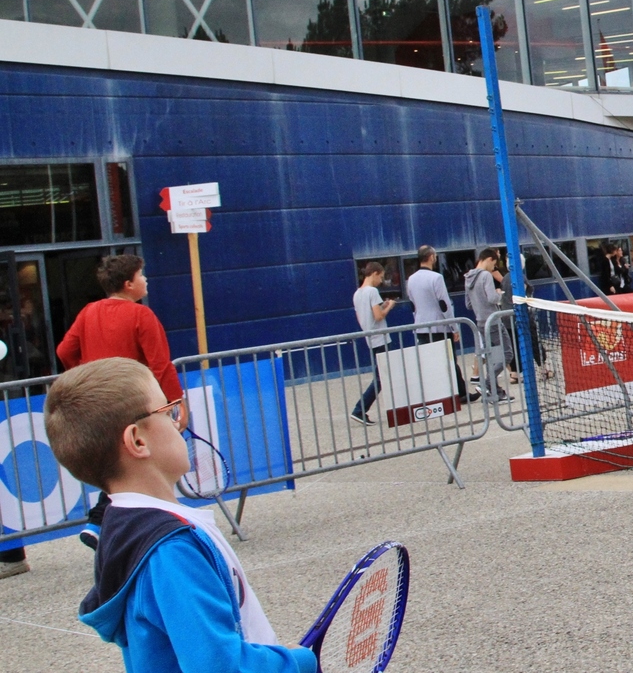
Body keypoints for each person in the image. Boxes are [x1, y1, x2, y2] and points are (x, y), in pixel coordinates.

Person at [45, 357, 318, 672]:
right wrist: (297, 662)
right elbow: (218, 667)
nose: (179, 422)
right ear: (137, 440)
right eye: (167, 411)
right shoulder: (171, 549)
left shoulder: (128, 529)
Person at [57, 253, 183, 551]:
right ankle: (104, 522)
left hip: (98, 400)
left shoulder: (89, 312)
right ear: (129, 284)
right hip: (133, 402)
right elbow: (161, 364)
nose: (146, 280)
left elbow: (64, 351)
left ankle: (106, 524)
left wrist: (86, 374)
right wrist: (176, 402)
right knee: (140, 465)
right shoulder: (141, 315)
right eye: (142, 275)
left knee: (121, 463)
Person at [407, 245, 474, 403]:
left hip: (421, 326)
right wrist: (454, 327)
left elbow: (413, 304)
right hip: (439, 326)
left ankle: (435, 394)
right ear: (431, 257)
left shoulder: (411, 279)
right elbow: (444, 305)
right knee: (449, 361)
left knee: (428, 362)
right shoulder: (436, 278)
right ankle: (461, 393)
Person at [349, 261, 398, 425]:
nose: (381, 281)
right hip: (381, 338)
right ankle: (360, 408)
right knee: (382, 377)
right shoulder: (372, 291)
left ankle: (363, 408)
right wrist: (389, 306)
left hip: (370, 337)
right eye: (381, 277)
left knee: (383, 375)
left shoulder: (357, 293)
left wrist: (381, 306)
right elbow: (378, 317)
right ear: (375, 273)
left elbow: (362, 317)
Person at [464, 249, 511, 401]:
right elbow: (492, 298)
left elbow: (468, 304)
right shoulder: (485, 276)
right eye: (495, 264)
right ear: (489, 259)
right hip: (493, 321)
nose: (494, 268)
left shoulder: (468, 277)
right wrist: (499, 293)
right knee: (507, 354)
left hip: (481, 322)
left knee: (495, 356)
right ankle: (486, 383)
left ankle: (496, 392)